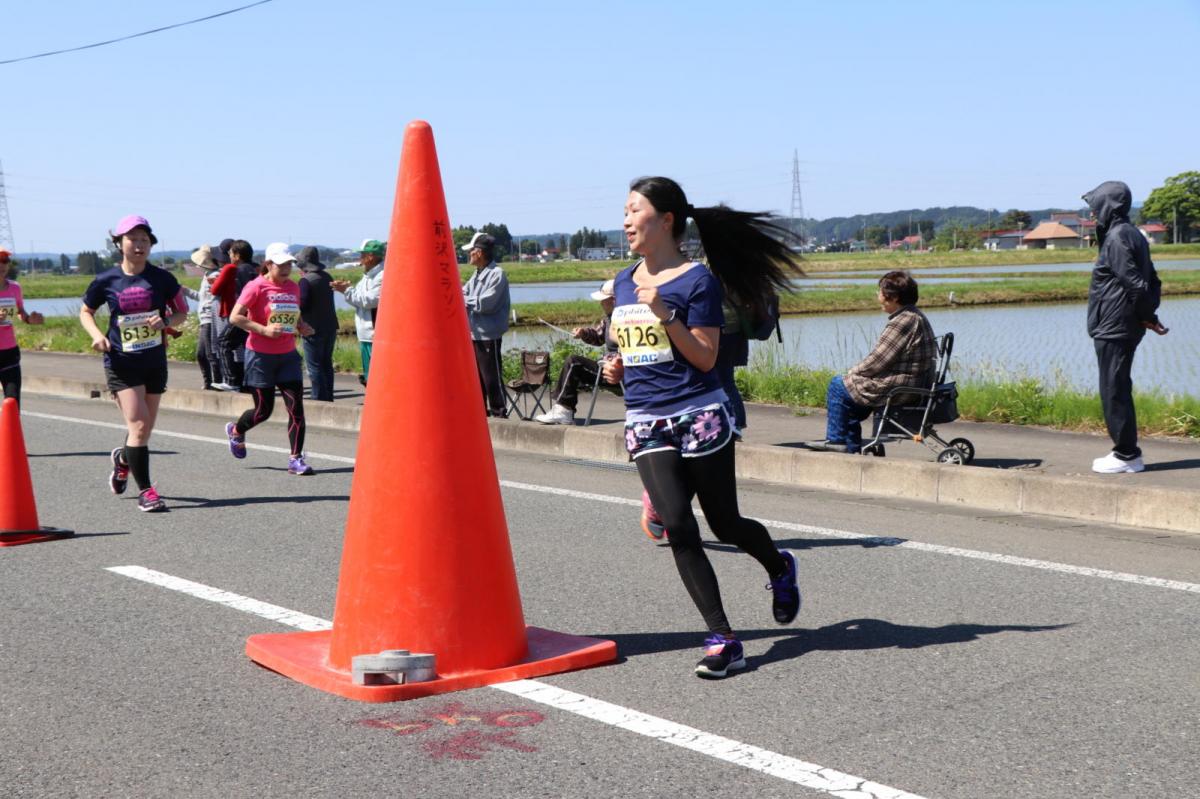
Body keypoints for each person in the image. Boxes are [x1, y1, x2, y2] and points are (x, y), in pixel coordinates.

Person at [600, 176, 801, 679]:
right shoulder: (624, 281)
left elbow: (706, 357)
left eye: (634, 210)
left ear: (666, 221)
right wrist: (616, 364)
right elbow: (632, 350)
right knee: (676, 525)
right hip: (645, 417)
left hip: (698, 413)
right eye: (623, 211)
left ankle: (778, 566)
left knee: (724, 523)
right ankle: (723, 639)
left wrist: (664, 312)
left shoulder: (697, 281)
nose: (625, 220)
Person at [79, 215, 188, 512]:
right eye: (132, 239)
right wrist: (97, 335)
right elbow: (86, 311)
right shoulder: (106, 280)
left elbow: (182, 311)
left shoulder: (162, 278)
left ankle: (123, 459)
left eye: (144, 240)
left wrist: (165, 320)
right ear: (119, 243)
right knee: (138, 425)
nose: (139, 245)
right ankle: (147, 492)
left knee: (144, 431)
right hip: (121, 361)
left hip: (154, 360)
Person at [1083, 180, 1168, 474]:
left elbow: (1137, 284)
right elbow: (1152, 280)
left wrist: (1146, 313)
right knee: (1117, 385)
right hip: (1122, 323)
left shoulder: (1118, 237)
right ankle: (1126, 451)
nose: (1093, 213)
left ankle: (1127, 454)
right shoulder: (1132, 234)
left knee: (1113, 388)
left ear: (1109, 206)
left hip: (1115, 326)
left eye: (1096, 207)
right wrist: (1149, 316)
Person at [803, 270, 936, 454]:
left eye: (880, 292)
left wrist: (853, 372)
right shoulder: (914, 315)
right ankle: (850, 450)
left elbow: (877, 361)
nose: (878, 296)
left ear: (894, 297)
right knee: (849, 397)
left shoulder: (903, 321)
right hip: (911, 382)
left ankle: (836, 440)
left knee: (837, 385)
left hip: (900, 387)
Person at [223, 243, 316, 475]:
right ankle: (236, 430)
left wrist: (302, 326)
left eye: (289, 264)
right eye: (281, 264)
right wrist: (263, 330)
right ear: (268, 264)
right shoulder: (256, 287)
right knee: (263, 411)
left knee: (296, 409)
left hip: (287, 356)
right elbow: (235, 317)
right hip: (260, 355)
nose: (286, 269)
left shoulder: (293, 287)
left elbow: (293, 316)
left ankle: (295, 459)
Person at [534, 278, 618, 425]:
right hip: (606, 368)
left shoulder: (626, 319)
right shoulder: (608, 319)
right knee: (574, 364)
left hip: (617, 372)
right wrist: (583, 333)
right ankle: (563, 408)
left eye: (603, 300)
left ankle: (564, 411)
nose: (600, 303)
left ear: (614, 300)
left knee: (574, 362)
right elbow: (598, 337)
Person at [460, 232, 510, 417]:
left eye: (471, 251)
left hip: (489, 335)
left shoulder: (497, 274)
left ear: (479, 253)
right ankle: (480, 414)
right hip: (474, 333)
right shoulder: (477, 273)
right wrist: (464, 297)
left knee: (491, 378)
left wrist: (464, 299)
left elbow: (486, 304)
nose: (468, 255)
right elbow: (463, 294)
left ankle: (499, 413)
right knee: (477, 378)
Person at [331, 239, 384, 387]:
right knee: (371, 376)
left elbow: (370, 301)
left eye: (361, 254)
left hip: (374, 334)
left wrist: (346, 290)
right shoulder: (368, 275)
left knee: (377, 377)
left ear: (371, 256)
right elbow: (358, 299)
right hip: (366, 334)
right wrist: (347, 289)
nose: (359, 258)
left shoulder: (382, 275)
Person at [209, 239, 257, 391]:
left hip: (242, 316)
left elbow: (244, 295)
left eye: (231, 253)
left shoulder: (239, 270)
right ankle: (248, 383)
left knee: (223, 343)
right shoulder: (255, 269)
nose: (229, 256)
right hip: (253, 316)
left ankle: (231, 381)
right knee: (248, 348)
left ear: (237, 255)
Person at [0, 249, 45, 405]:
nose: (2, 265)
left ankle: (10, 429)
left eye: (5, 260)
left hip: (9, 352)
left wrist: (29, 319)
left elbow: (20, 312)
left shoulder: (15, 288)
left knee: (12, 401)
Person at [297, 245, 337, 402]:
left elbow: (302, 305)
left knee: (314, 367)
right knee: (326, 364)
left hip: (312, 328)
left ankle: (319, 399)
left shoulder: (305, 281)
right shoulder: (327, 276)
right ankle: (328, 397)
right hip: (330, 325)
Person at [183, 245, 223, 390]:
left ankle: (215, 384)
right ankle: (211, 383)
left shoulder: (214, 275)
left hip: (209, 318)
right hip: (205, 318)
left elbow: (213, 298)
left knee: (208, 353)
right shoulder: (208, 275)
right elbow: (202, 298)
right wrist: (185, 290)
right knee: (205, 353)